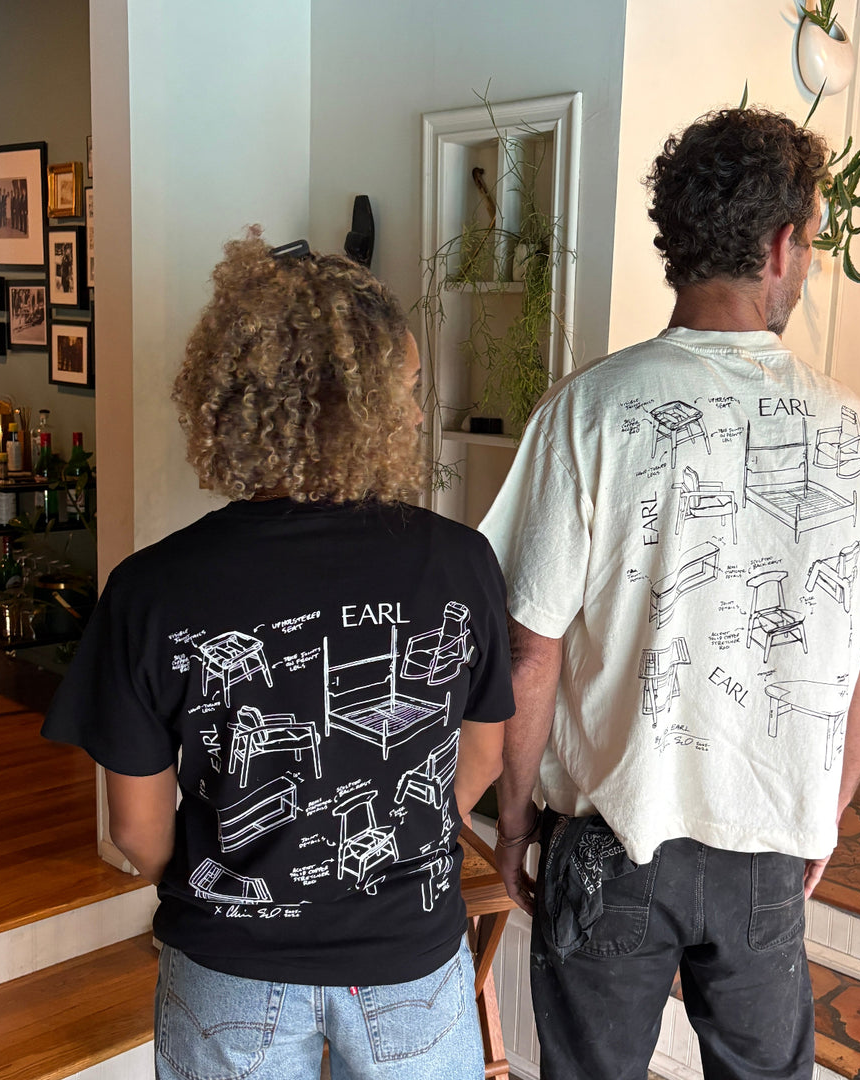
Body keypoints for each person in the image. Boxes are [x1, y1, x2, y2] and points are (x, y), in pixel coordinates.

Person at [479, 107, 860, 1080]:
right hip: (763, 848)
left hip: (606, 847)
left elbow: (530, 648)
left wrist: (512, 823)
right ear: (781, 244)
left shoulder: (587, 410)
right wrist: (824, 812)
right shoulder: (855, 434)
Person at [42, 232, 514, 1080]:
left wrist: (240, 880)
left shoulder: (153, 588)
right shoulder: (459, 561)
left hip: (228, 969)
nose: (414, 414)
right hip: (410, 959)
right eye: (402, 389)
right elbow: (478, 759)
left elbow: (139, 834)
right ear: (358, 403)